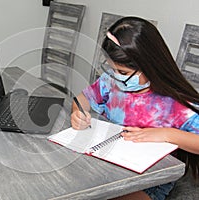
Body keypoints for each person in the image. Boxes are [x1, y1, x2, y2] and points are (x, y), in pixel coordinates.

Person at [71, 16, 199, 200]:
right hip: (107, 165)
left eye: (123, 73)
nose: (116, 76)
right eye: (112, 69)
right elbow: (81, 100)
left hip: (149, 182)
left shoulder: (175, 104)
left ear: (150, 66)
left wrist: (167, 134)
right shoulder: (111, 82)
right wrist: (78, 113)